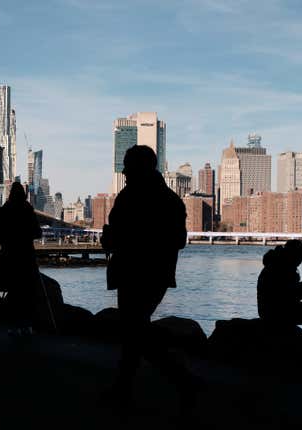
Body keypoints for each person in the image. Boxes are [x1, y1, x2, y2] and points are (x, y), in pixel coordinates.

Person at [100, 145, 191, 411]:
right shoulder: (171, 200)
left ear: (141, 166)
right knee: (134, 329)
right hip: (157, 274)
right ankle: (167, 378)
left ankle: (176, 376)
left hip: (132, 272)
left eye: (128, 165)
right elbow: (179, 241)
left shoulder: (129, 197)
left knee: (133, 329)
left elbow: (118, 235)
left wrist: (114, 239)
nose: (124, 170)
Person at [0, 182, 42, 336]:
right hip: (26, 257)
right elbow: (38, 233)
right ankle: (27, 326)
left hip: (9, 257)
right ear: (24, 195)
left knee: (12, 292)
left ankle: (13, 325)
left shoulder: (4, 211)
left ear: (10, 194)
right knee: (27, 292)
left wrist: (7, 241)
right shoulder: (28, 210)